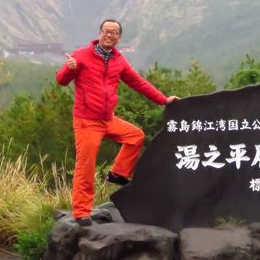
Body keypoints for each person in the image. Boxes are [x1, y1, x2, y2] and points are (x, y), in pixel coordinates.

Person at [56, 19, 179, 226]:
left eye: (114, 33)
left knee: (135, 136)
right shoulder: (81, 55)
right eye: (106, 31)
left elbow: (138, 82)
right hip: (87, 121)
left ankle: (118, 174)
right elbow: (61, 80)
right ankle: (81, 212)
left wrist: (163, 100)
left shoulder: (118, 60)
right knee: (86, 167)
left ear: (119, 37)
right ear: (100, 33)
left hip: (108, 119)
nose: (109, 35)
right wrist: (70, 69)